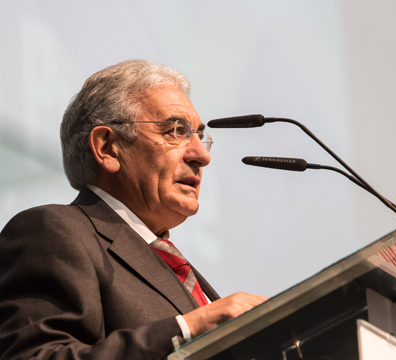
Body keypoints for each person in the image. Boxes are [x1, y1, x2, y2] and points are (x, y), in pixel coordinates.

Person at [0, 59, 267, 360]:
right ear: (107, 147)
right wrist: (189, 327)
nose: (201, 155)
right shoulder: (52, 231)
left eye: (199, 135)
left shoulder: (169, 262)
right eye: (177, 130)